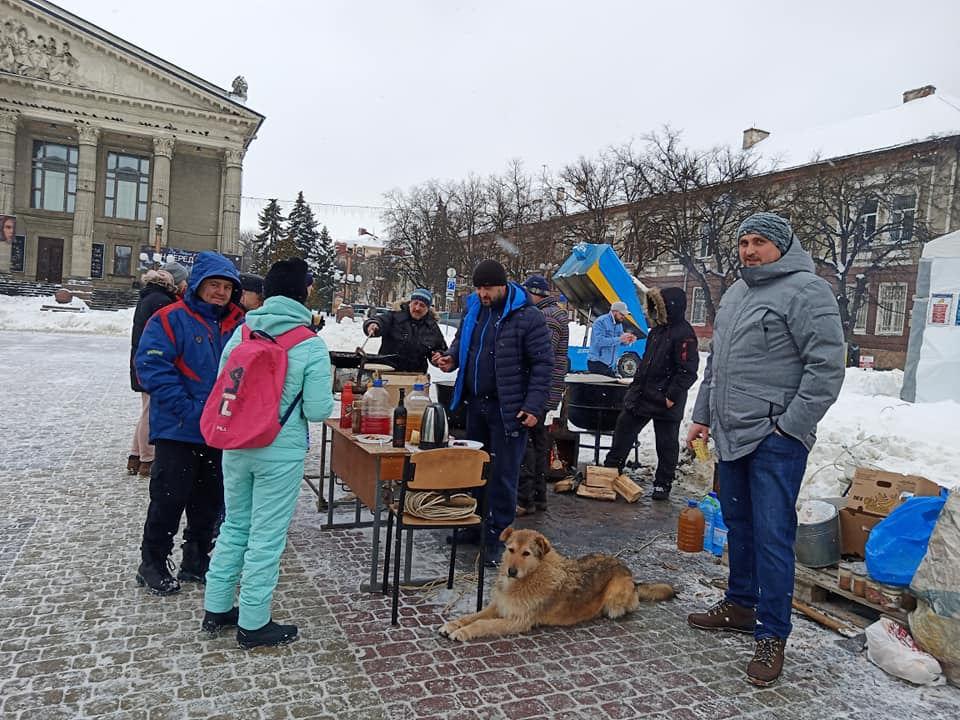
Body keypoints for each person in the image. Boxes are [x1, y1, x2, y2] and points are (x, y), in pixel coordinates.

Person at [685, 212, 844, 687]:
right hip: (731, 436)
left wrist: (789, 429)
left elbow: (827, 370)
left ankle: (772, 634)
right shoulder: (736, 293)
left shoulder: (807, 291)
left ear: (782, 245)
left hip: (775, 440)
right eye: (743, 242)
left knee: (773, 536)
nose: (749, 250)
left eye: (758, 242)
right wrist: (702, 416)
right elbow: (717, 366)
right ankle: (740, 604)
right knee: (739, 525)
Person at [203, 257, 333, 649]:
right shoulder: (310, 343)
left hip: (237, 443)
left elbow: (224, 384)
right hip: (280, 450)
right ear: (303, 292)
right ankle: (254, 622)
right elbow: (316, 410)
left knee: (235, 526)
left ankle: (217, 607)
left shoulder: (242, 333)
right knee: (266, 535)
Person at [133, 251, 244, 596]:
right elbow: (152, 367)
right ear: (198, 285)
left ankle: (196, 559)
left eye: (227, 286)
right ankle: (152, 563)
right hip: (178, 428)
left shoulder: (240, 326)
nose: (221, 292)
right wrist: (188, 408)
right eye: (214, 284)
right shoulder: (170, 319)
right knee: (168, 499)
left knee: (209, 500)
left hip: (220, 431)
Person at [432, 259, 553, 562]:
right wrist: (451, 358)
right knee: (476, 469)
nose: (483, 293)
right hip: (476, 404)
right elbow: (464, 343)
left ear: (503, 285)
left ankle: (499, 537)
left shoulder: (527, 316)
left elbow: (543, 364)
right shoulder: (475, 308)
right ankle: (474, 526)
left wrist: (534, 406)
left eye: (488, 288)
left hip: (509, 408)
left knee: (502, 474)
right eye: (479, 288)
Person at [602, 287, 699, 500]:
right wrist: (636, 386)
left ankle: (663, 483)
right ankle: (610, 472)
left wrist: (670, 396)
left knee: (666, 443)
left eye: (658, 306)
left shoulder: (684, 333)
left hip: (666, 399)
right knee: (624, 430)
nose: (654, 310)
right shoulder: (656, 331)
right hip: (643, 395)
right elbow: (647, 361)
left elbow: (688, 371)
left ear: (669, 307)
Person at [127, 262, 190, 478]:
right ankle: (147, 459)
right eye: (183, 281)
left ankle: (135, 456)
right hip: (152, 364)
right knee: (150, 411)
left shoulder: (151, 295)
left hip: (142, 362)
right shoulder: (162, 301)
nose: (185, 285)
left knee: (146, 409)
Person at [517, 275, 569, 515]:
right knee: (537, 443)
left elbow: (539, 356)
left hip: (538, 392)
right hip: (543, 391)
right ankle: (538, 498)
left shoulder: (546, 318)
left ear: (533, 293)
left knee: (529, 445)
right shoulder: (550, 313)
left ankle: (525, 498)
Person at [363, 288, 447, 373]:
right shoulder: (395, 316)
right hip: (387, 370)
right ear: (410, 303)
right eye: (415, 303)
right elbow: (380, 321)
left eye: (422, 305)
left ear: (428, 308)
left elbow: (440, 349)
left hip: (415, 376)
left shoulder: (432, 327)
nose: (417, 308)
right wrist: (373, 325)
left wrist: (438, 356)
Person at [587, 301, 636, 376]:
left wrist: (627, 341)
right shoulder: (600, 322)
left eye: (624, 315)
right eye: (621, 314)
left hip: (609, 364)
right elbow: (599, 341)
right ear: (614, 312)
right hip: (597, 363)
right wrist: (620, 339)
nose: (623, 317)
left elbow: (619, 340)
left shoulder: (618, 324)